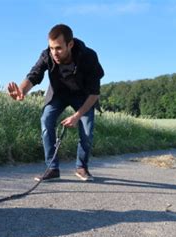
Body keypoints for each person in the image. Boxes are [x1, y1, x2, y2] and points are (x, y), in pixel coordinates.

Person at [7, 24, 104, 182]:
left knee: (87, 131)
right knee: (46, 120)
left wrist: (77, 116)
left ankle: (82, 167)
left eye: (58, 48)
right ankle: (52, 169)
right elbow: (34, 74)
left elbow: (94, 93)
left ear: (70, 44)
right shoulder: (47, 55)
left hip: (83, 96)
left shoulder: (89, 57)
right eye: (51, 48)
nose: (54, 53)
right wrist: (21, 91)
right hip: (58, 94)